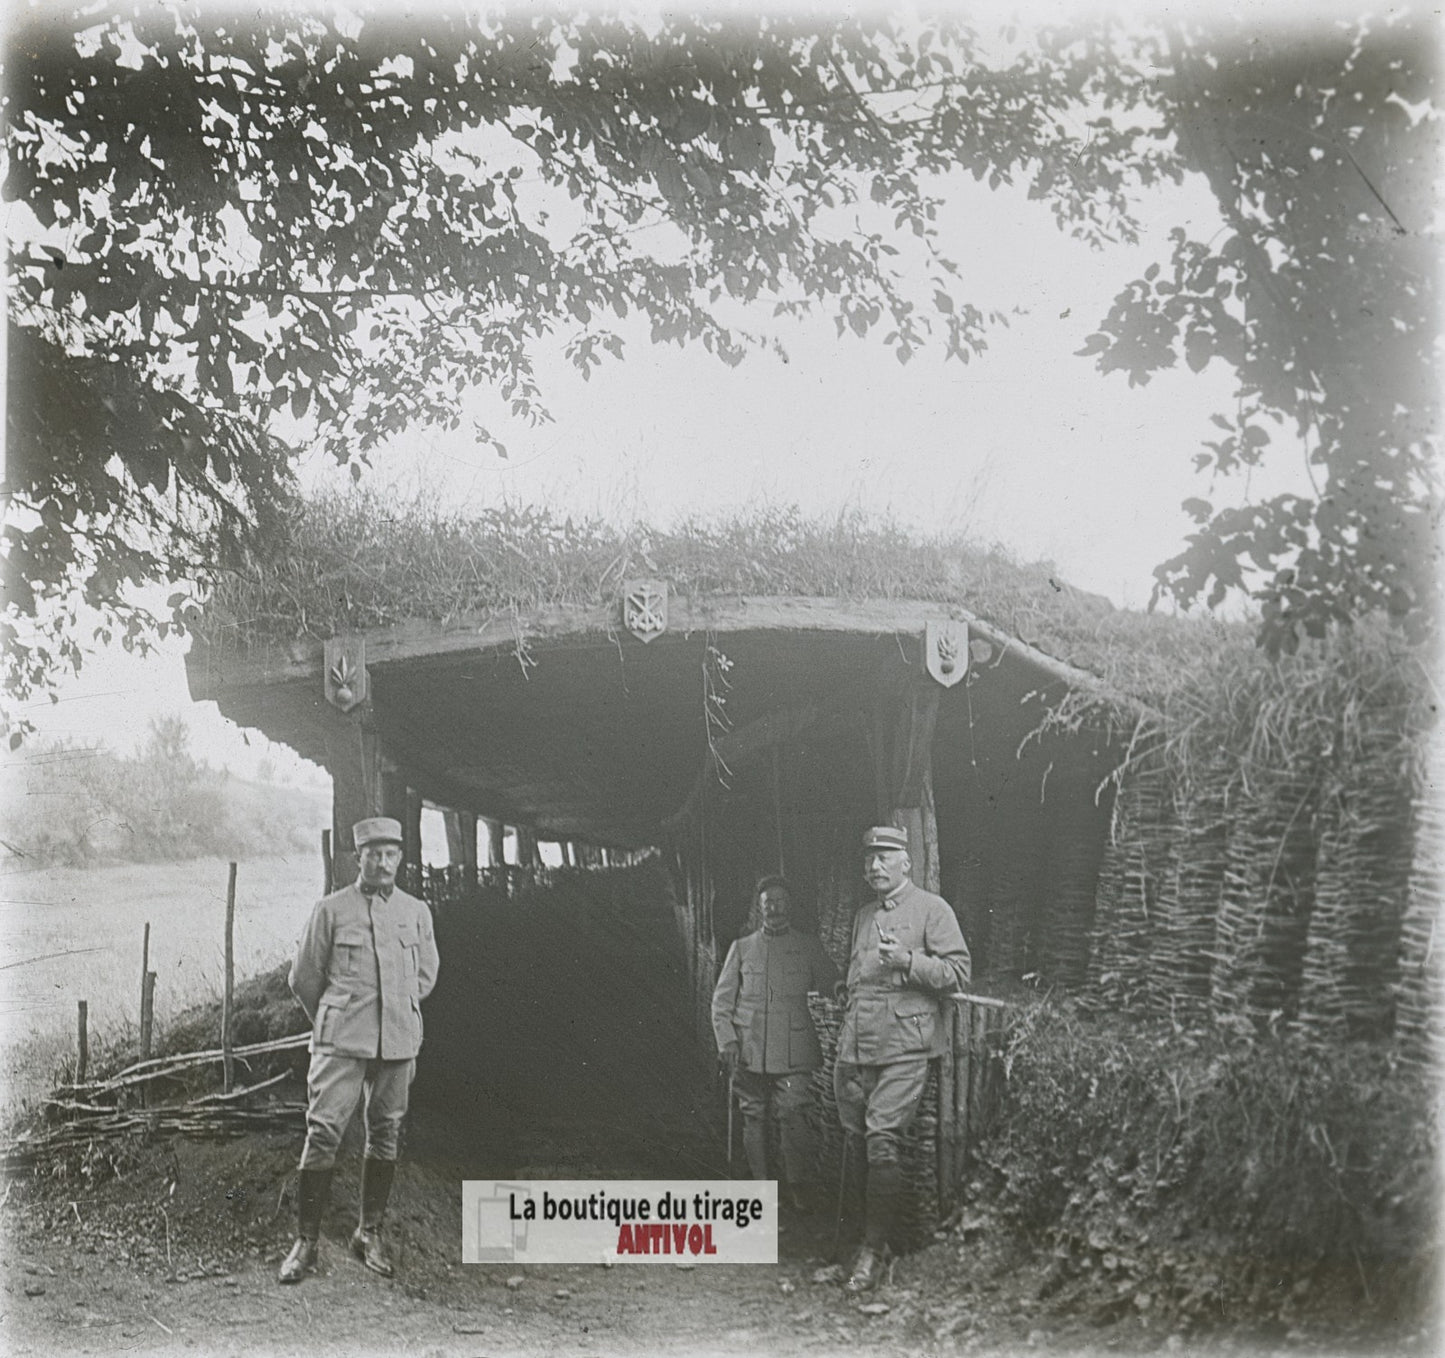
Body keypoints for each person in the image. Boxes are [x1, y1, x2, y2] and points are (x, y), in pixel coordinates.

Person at [278, 816, 440, 1284]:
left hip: (397, 1040)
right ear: (359, 858)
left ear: (400, 859)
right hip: (342, 1039)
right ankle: (306, 1242)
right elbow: (303, 978)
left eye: (391, 855)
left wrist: (399, 1007)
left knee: (385, 1132)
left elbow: (425, 976)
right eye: (374, 855)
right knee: (324, 1130)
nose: (383, 863)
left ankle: (369, 1233)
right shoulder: (330, 910)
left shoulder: (416, 912)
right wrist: (335, 1015)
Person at [834, 825, 970, 1294]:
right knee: (854, 1141)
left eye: (885, 857)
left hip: (905, 1046)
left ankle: (874, 1251)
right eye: (869, 858)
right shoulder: (862, 915)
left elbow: (957, 973)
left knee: (881, 1138)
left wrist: (909, 961)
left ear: (906, 863)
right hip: (858, 1046)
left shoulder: (933, 910)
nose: (874, 866)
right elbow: (856, 978)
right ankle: (855, 1244)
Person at [711, 875, 838, 1212]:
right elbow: (721, 1002)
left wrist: (843, 988)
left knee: (794, 1115)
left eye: (781, 901)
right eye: (768, 902)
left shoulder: (809, 946)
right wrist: (727, 1040)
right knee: (754, 1116)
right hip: (749, 1048)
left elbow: (833, 983)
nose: (775, 908)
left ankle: (799, 1187)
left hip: (795, 1050)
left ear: (790, 906)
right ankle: (762, 1188)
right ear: (760, 908)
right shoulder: (742, 948)